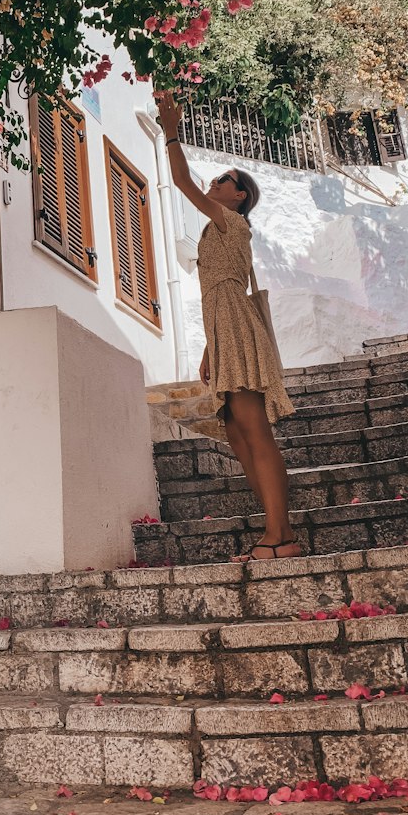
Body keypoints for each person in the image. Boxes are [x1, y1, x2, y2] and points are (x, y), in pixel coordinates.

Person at [156, 91, 300, 560]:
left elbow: (180, 180)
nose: (215, 181)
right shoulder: (220, 228)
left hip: (236, 327)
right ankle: (275, 530)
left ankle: (279, 536)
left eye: (224, 178)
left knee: (255, 431)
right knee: (238, 434)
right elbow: (217, 292)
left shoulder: (230, 221)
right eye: (217, 178)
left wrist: (171, 130)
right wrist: (208, 349)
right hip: (226, 330)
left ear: (238, 196)